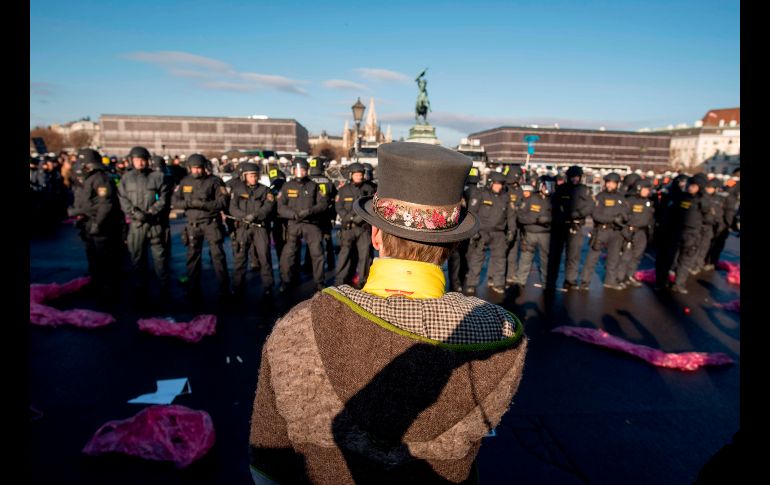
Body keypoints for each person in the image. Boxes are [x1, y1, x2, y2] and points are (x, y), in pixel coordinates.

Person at [248, 142, 527, 484]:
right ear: (453, 245)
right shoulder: (498, 335)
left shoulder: (298, 325)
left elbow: (267, 461)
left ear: (376, 235)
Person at [171, 154, 231, 298]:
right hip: (193, 225)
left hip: (211, 224)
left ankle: (224, 289)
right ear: (189, 168)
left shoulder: (215, 181)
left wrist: (204, 205)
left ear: (204, 168)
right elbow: (175, 201)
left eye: (199, 168)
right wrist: (189, 203)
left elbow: (223, 203)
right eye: (194, 168)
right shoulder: (185, 182)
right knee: (192, 258)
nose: (196, 171)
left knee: (218, 257)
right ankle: (192, 288)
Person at [67, 149, 124, 299]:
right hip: (87, 224)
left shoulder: (100, 179)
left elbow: (106, 204)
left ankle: (108, 292)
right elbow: (84, 201)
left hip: (101, 226)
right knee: (93, 260)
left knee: (105, 261)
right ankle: (96, 286)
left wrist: (97, 224)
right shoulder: (84, 180)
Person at [117, 146, 172, 295]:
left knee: (159, 259)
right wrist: (134, 213)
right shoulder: (126, 179)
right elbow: (122, 199)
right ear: (131, 161)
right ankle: (140, 289)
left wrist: (151, 212)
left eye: (143, 160)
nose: (140, 163)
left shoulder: (158, 177)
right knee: (137, 258)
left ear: (148, 161)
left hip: (155, 224)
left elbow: (164, 198)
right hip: (137, 225)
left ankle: (164, 290)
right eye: (137, 160)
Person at [277, 159, 328, 292]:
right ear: (293, 170)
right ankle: (286, 281)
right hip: (294, 223)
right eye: (298, 169)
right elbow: (280, 207)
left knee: (317, 253)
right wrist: (293, 214)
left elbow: (323, 204)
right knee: (289, 254)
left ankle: (319, 282)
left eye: (303, 169)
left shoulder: (313, 185)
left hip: (311, 224)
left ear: (307, 170)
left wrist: (310, 211)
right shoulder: (287, 186)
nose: (300, 172)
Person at [229, 162, 276, 297]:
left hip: (260, 228)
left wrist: (255, 215)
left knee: (264, 257)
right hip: (243, 227)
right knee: (240, 257)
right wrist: (243, 216)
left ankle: (268, 285)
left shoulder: (265, 190)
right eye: (250, 176)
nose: (253, 178)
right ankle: (237, 285)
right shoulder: (237, 190)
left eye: (255, 176)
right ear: (244, 176)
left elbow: (268, 206)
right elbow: (232, 207)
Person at [464, 172, 514, 294]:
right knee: (477, 258)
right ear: (491, 183)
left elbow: (511, 216)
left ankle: (498, 284)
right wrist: (473, 231)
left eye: (500, 184)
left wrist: (512, 230)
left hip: (499, 233)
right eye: (496, 184)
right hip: (482, 232)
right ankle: (471, 283)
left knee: (500, 259)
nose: (498, 187)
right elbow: (472, 212)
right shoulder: (481, 194)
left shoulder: (506, 197)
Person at [578, 172, 629, 291]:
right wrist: (612, 219)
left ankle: (609, 281)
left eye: (613, 183)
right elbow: (595, 215)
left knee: (613, 258)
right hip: (601, 230)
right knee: (592, 257)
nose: (610, 185)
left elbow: (626, 213)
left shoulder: (621, 198)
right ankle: (585, 282)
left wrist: (624, 218)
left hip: (616, 232)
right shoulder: (600, 197)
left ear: (617, 184)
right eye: (608, 182)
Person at [548, 165, 594, 290]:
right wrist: (561, 216)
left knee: (573, 255)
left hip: (576, 226)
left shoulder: (584, 190)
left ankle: (570, 279)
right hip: (560, 225)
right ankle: (551, 280)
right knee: (555, 255)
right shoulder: (562, 189)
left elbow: (590, 206)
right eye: (572, 177)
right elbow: (554, 205)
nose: (575, 179)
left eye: (577, 177)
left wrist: (578, 214)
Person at [334, 162, 376, 287]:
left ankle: (363, 283)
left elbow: (373, 206)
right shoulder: (343, 190)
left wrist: (360, 218)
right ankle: (340, 282)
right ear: (351, 175)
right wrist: (350, 217)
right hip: (348, 229)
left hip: (363, 228)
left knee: (365, 257)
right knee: (344, 256)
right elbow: (339, 207)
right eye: (357, 175)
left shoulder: (370, 188)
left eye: (361, 174)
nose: (359, 177)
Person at [513, 176, 553, 289]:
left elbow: (560, 217)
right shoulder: (531, 198)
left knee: (545, 259)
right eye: (545, 185)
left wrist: (548, 220)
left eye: (550, 185)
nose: (548, 188)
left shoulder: (553, 200)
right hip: (530, 233)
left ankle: (546, 282)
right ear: (540, 186)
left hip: (545, 234)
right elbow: (520, 216)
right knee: (525, 257)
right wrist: (535, 220)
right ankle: (520, 281)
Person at [617, 178, 655, 287]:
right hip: (630, 231)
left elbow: (650, 218)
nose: (647, 191)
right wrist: (626, 232)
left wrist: (650, 232)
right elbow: (623, 217)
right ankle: (620, 277)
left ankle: (630, 275)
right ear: (638, 189)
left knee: (637, 256)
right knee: (626, 256)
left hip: (642, 232)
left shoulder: (647, 201)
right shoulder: (630, 200)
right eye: (645, 189)